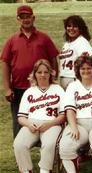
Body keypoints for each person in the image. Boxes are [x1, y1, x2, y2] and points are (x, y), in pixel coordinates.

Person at [1, 5, 59, 138]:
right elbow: (5, 64)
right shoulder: (12, 40)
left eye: (28, 17)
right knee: (19, 121)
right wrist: (7, 89)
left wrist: (53, 79)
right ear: (18, 19)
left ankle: (47, 146)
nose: (25, 20)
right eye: (22, 17)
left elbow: (53, 59)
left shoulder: (43, 38)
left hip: (41, 88)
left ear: (33, 18)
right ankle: (20, 149)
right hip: (19, 88)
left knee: (43, 118)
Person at [13, 59, 65, 173]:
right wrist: (29, 124)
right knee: (19, 144)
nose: (43, 75)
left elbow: (63, 115)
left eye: (46, 72)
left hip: (52, 124)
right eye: (39, 72)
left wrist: (50, 124)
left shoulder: (58, 89)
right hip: (32, 125)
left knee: (48, 145)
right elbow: (21, 117)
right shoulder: (30, 92)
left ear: (51, 74)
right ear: (34, 74)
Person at [59, 15, 92, 90]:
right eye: (69, 26)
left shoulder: (82, 42)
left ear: (80, 28)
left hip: (75, 79)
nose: (71, 29)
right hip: (64, 78)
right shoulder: (67, 44)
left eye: (75, 26)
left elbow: (86, 63)